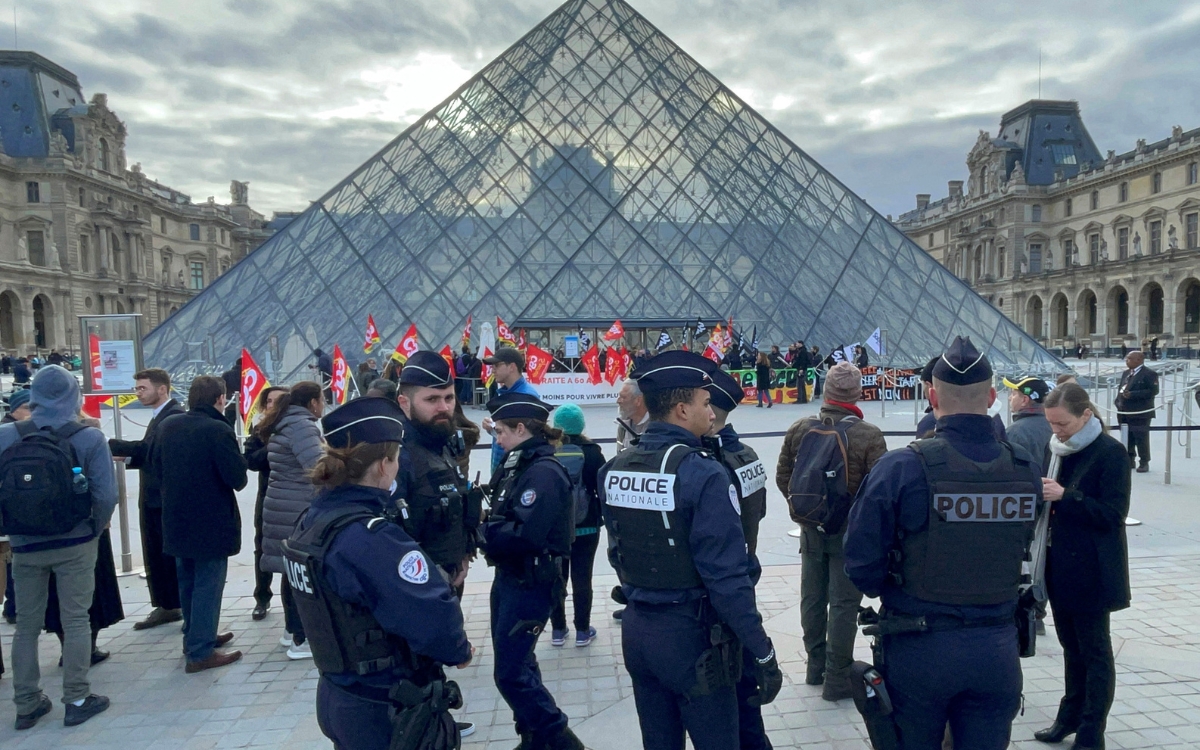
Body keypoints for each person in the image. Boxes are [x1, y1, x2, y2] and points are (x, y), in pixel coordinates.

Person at [844, 337, 1041, 749]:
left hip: (920, 646)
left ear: (931, 395)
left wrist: (898, 588)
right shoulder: (1024, 467)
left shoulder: (900, 467)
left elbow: (861, 563)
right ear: (991, 397)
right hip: (997, 646)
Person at [599, 351, 782, 750]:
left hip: (639, 628)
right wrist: (761, 651)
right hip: (695, 638)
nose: (711, 412)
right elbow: (727, 577)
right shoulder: (703, 473)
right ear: (682, 409)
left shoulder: (614, 468)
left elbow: (618, 552)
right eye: (704, 402)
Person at [284, 396, 473, 750]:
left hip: (339, 692)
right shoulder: (369, 537)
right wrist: (459, 650)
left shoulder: (313, 521)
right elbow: (431, 612)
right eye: (397, 458)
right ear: (385, 465)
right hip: (385, 704)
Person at [1, 365, 116, 728]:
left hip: (24, 543)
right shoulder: (88, 437)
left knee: (27, 625)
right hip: (75, 539)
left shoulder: (6, 434)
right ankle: (78, 698)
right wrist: (93, 530)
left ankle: (26, 703)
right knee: (76, 619)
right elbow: (106, 495)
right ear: (73, 396)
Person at [778, 361, 886, 701]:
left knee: (812, 596)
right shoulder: (868, 434)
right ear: (857, 394)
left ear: (826, 392)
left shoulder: (799, 428)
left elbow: (784, 478)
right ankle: (837, 678)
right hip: (849, 532)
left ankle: (815, 666)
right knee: (843, 603)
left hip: (811, 528)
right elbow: (880, 490)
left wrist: (811, 513)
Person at [480, 392, 582, 750]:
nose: (498, 439)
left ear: (521, 428)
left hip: (532, 582)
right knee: (520, 665)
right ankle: (535, 737)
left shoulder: (543, 472)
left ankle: (558, 737)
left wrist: (482, 532)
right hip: (511, 577)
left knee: (509, 674)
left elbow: (525, 534)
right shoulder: (518, 464)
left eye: (501, 432)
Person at [1035, 384, 1130, 750]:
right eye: (1052, 424)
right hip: (1058, 566)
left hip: (1092, 570)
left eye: (1063, 423)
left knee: (1095, 652)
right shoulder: (1056, 449)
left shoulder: (1110, 453)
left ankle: (1092, 731)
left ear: (1086, 415)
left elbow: (1112, 515)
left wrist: (1066, 496)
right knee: (1070, 647)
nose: (1056, 431)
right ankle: (1068, 717)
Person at [151, 375, 247, 674]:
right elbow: (238, 479)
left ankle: (194, 636)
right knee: (208, 584)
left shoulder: (168, 425)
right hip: (211, 521)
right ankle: (201, 651)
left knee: (188, 583)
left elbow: (155, 468)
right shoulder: (218, 430)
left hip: (176, 518)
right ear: (220, 399)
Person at [703, 366, 773, 749]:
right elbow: (757, 514)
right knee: (747, 699)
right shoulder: (745, 454)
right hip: (745, 576)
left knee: (731, 699)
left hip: (719, 593)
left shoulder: (710, 462)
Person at [393, 351, 480, 599]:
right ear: (404, 402)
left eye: (449, 398)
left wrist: (463, 555)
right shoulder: (396, 457)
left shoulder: (441, 443)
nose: (444, 408)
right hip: (415, 591)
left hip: (448, 581)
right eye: (431, 399)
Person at [107, 368, 186, 631]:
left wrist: (107, 444)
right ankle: (167, 603)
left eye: (143, 388)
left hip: (161, 499)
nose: (138, 393)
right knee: (155, 553)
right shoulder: (162, 415)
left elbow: (149, 451)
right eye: (136, 388)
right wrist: (129, 457)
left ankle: (170, 604)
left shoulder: (172, 416)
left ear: (162, 389)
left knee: (162, 554)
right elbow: (147, 454)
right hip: (155, 497)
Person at [261, 381, 326, 659]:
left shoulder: (285, 422)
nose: (324, 404)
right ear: (312, 402)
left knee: (291, 572)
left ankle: (291, 632)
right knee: (301, 575)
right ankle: (301, 638)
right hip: (297, 507)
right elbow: (317, 466)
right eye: (322, 399)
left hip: (282, 504)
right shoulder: (302, 425)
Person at [548, 402, 604, 649]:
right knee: (583, 579)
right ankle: (583, 630)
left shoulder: (548, 452)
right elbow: (601, 489)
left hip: (556, 529)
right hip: (587, 526)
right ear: (581, 424)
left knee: (557, 578)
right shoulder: (592, 452)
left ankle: (558, 630)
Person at [242, 385, 289, 620]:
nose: (273, 405)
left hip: (293, 497)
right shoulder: (260, 429)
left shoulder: (297, 427)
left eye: (278, 401)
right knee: (262, 547)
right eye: (269, 401)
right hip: (268, 495)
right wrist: (272, 446)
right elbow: (250, 460)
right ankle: (262, 597)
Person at [481, 346, 539, 474]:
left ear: (512, 367)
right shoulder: (506, 393)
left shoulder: (526, 396)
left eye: (497, 365)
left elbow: (525, 436)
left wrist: (495, 427)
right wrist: (493, 427)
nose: (492, 370)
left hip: (514, 466)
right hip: (503, 463)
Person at [1115, 351, 1158, 472]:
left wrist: (1133, 395)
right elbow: (1121, 388)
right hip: (1124, 410)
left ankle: (1144, 461)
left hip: (1140, 411)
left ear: (1138, 360)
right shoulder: (1126, 373)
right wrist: (1118, 401)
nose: (1126, 360)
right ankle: (1129, 459)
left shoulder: (1149, 374)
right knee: (1127, 436)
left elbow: (1153, 391)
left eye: (1129, 358)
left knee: (1141, 437)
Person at [1003, 376, 1053, 467]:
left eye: (1013, 394)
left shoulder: (1015, 432)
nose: (1009, 398)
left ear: (1024, 400)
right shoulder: (1055, 424)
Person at [615, 378, 649, 452]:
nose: (618, 401)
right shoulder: (623, 426)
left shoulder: (655, 426)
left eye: (623, 397)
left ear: (638, 400)